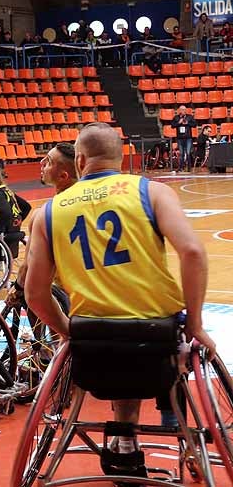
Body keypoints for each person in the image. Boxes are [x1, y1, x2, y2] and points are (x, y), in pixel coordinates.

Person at [25, 123, 214, 481]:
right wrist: (196, 323)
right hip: (156, 337)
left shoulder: (48, 213)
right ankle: (180, 432)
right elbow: (192, 252)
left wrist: (66, 331)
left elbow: (35, 294)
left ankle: (124, 440)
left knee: (115, 352)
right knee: (176, 343)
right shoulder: (151, 191)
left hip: (91, 341)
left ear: (80, 160)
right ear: (122, 156)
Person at [6, 142, 77, 306]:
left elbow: (28, 266)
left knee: (31, 294)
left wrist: (17, 288)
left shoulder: (45, 214)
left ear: (63, 176)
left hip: (69, 294)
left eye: (48, 161)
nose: (41, 163)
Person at [171, 105, 197, 172]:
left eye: (185, 109)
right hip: (180, 138)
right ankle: (181, 167)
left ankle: (189, 167)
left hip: (188, 138)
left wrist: (188, 123)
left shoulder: (190, 117)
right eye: (182, 109)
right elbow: (172, 126)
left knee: (188, 153)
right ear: (179, 110)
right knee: (181, 154)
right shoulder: (176, 117)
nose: (184, 111)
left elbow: (194, 125)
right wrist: (178, 123)